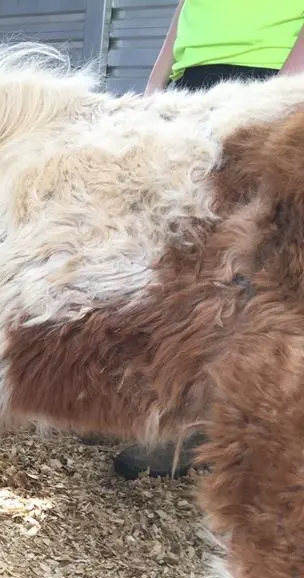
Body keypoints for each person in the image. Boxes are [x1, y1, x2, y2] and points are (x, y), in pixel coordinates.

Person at [112, 0, 304, 480]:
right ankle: (168, 411)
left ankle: (207, 428)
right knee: (183, 260)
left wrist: (283, 94)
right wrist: (155, 96)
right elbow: (185, 13)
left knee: (249, 267)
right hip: (194, 91)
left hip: (268, 86)